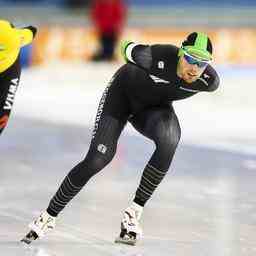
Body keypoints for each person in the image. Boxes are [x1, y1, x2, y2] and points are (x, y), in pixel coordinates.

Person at [21, 32, 220, 245]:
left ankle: (133, 213)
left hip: (152, 110)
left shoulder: (209, 81)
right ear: (181, 53)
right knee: (99, 158)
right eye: (190, 58)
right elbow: (125, 46)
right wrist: (135, 54)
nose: (194, 68)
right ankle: (48, 216)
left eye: (201, 63)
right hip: (121, 98)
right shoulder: (158, 56)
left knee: (169, 140)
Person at [0, 20, 37, 136]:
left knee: (2, 116)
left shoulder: (10, 37)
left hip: (9, 71)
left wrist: (30, 30)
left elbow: (30, 32)